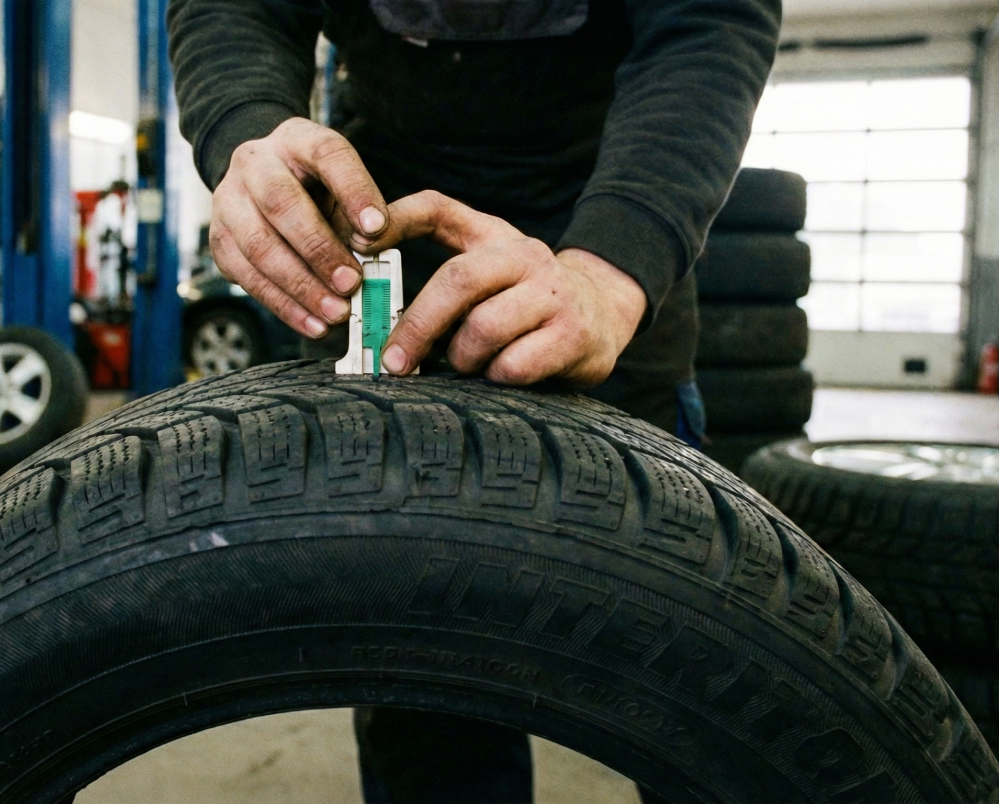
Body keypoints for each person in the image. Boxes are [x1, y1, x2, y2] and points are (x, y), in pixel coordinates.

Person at [170, 1, 780, 801]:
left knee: (701, 686)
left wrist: (613, 267)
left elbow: (709, 19)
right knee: (425, 691)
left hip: (600, 271)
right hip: (379, 271)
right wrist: (245, 128)